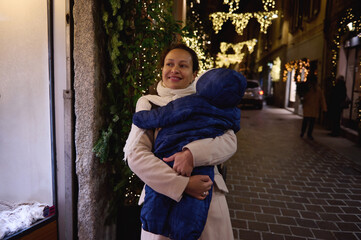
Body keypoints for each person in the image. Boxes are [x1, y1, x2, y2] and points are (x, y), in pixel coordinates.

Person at [124, 43, 238, 240]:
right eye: (169, 64)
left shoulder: (208, 102)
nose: (174, 70)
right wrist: (183, 184)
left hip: (206, 195)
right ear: (162, 69)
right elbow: (136, 155)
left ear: (194, 74)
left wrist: (192, 154)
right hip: (161, 193)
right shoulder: (149, 104)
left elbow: (229, 141)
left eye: (183, 66)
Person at [300, 75, 327, 140]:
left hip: (310, 108)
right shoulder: (315, 89)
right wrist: (324, 108)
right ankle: (308, 134)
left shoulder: (314, 89)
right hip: (312, 109)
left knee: (307, 122)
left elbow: (322, 99)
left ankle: (304, 133)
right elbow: (322, 100)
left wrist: (324, 108)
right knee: (310, 122)